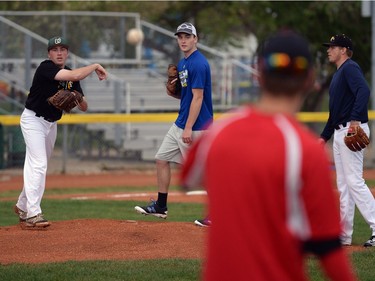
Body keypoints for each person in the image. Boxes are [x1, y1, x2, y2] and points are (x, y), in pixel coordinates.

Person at [181, 30, 357, 281]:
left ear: (259, 74)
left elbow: (189, 177)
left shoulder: (219, 132)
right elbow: (329, 250)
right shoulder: (305, 150)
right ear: (309, 79)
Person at [14, 36, 107, 229]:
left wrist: (77, 97)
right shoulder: (45, 68)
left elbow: (84, 107)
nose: (59, 52)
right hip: (33, 120)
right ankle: (33, 213)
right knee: (38, 164)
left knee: (38, 165)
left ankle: (22, 205)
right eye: (55, 49)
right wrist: (95, 65)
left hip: (50, 124)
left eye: (63, 49)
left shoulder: (71, 76)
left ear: (67, 53)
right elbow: (75, 76)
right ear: (49, 53)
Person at [135, 22, 213, 226]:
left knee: (199, 174)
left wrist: (188, 128)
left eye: (188, 36)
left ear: (195, 39)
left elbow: (198, 98)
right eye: (180, 37)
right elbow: (188, 96)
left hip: (196, 126)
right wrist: (177, 93)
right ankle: (160, 206)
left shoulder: (198, 63)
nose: (184, 40)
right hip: (181, 122)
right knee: (161, 159)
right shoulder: (184, 62)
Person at [320, 34, 375, 247]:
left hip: (351, 129)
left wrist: (354, 119)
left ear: (344, 50)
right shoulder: (339, 74)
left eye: (333, 47)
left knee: (353, 181)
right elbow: (334, 114)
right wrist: (323, 137)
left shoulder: (350, 68)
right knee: (344, 185)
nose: (329, 50)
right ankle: (344, 235)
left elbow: (364, 90)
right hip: (340, 131)